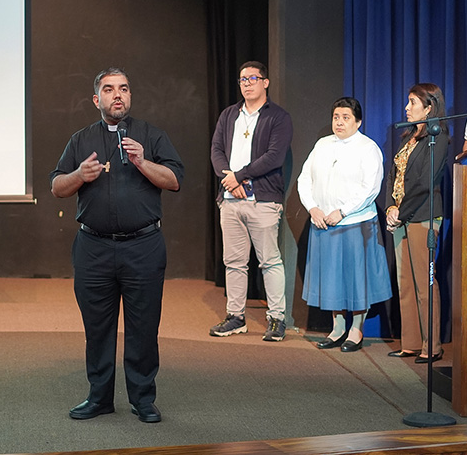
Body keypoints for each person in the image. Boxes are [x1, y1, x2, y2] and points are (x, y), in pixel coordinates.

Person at [50, 67, 184, 424]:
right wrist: (79, 175)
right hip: (93, 248)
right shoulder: (80, 139)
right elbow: (57, 187)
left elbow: (173, 180)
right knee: (97, 328)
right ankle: (99, 398)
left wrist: (142, 161)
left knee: (143, 327)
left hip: (143, 248)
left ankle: (143, 399)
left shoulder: (151, 136)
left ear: (130, 96)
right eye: (109, 90)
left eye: (123, 88)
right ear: (97, 99)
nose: (117, 95)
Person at [297, 97, 392, 352]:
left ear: (358, 121)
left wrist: (342, 211)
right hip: (324, 223)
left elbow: (369, 189)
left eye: (346, 117)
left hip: (355, 223)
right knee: (332, 279)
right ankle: (337, 327)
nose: (339, 122)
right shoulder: (322, 145)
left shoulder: (367, 148)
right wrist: (312, 207)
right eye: (336, 117)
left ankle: (356, 329)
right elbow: (304, 179)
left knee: (355, 277)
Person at [208, 61, 294, 342]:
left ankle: (277, 319)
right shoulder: (229, 115)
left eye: (253, 78)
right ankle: (235, 317)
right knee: (233, 262)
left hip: (263, 200)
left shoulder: (278, 118)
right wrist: (229, 179)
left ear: (265, 82)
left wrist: (241, 177)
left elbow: (274, 156)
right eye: (242, 79)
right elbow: (217, 150)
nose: (247, 83)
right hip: (231, 202)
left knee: (269, 260)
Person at [385, 83, 450, 363]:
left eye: (413, 102)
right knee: (406, 284)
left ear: (429, 107)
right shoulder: (408, 138)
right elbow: (393, 175)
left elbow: (425, 183)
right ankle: (410, 342)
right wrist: (390, 206)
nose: (407, 108)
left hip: (423, 216)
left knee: (426, 284)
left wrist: (402, 212)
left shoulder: (439, 138)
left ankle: (431, 345)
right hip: (402, 216)